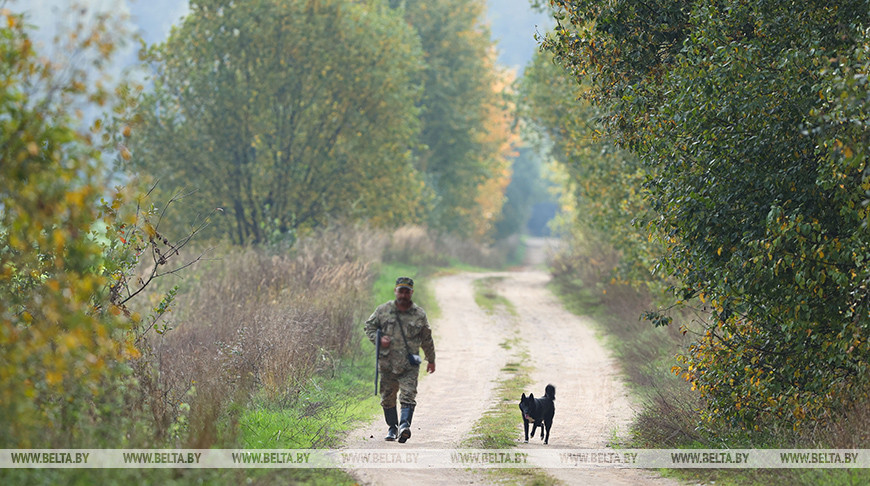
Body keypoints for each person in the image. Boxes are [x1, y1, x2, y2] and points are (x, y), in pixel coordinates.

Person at [365, 276, 435, 443]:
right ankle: (392, 427)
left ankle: (404, 426)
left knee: (408, 395)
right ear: (395, 291)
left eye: (407, 292)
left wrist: (431, 359)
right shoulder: (383, 310)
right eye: (401, 291)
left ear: (412, 293)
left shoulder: (419, 314)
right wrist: (378, 339)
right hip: (387, 363)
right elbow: (369, 326)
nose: (403, 295)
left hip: (409, 364)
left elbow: (426, 338)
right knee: (387, 397)